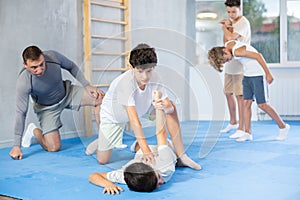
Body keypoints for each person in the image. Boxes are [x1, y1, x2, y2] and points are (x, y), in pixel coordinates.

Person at [86, 43, 201, 170]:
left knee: (171, 105)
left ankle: (182, 156)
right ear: (131, 67)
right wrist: (146, 151)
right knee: (103, 160)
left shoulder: (156, 77)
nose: (145, 77)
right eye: (140, 72)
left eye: (149, 71)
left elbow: (169, 107)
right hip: (115, 117)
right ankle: (101, 141)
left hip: (143, 108)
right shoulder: (125, 84)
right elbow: (134, 121)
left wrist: (165, 106)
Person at [88, 93, 196, 194]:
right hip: (150, 157)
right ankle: (113, 140)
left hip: (163, 151)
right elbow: (93, 176)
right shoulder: (127, 176)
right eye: (158, 183)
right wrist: (108, 184)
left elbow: (161, 134)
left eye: (158, 179)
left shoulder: (164, 167)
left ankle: (180, 156)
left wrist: (159, 108)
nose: (162, 182)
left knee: (168, 111)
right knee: (142, 151)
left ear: (154, 169)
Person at [9, 45, 104, 160]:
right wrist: (16, 145)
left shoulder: (52, 57)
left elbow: (71, 66)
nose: (39, 70)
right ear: (25, 65)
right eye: (34, 67)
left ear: (43, 57)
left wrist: (87, 85)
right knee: (53, 147)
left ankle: (105, 139)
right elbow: (21, 112)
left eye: (41, 64)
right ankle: (33, 130)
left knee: (100, 98)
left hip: (67, 93)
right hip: (47, 108)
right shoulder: (24, 82)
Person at [208, 40, 290, 142]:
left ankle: (283, 127)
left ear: (224, 50)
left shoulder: (237, 51)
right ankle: (247, 132)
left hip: (258, 75)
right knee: (246, 103)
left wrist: (268, 73)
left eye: (226, 59)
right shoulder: (228, 45)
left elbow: (258, 55)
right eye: (225, 61)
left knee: (262, 105)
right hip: (247, 76)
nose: (228, 61)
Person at [219, 0, 251, 139]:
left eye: (233, 11)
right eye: (229, 12)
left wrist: (225, 27)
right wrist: (228, 27)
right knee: (227, 93)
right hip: (230, 65)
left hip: (240, 66)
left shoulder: (243, 23)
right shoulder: (233, 23)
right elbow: (226, 43)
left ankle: (241, 128)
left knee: (240, 97)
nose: (231, 15)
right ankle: (233, 121)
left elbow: (231, 37)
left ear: (240, 8)